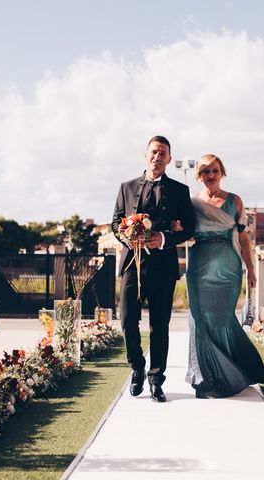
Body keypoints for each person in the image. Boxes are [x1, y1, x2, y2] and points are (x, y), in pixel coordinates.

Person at [112, 135, 194, 402]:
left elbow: (189, 228)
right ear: (145, 155)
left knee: (160, 326)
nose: (157, 157)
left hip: (163, 268)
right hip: (131, 266)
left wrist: (165, 239)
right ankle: (137, 367)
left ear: (169, 159)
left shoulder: (181, 191)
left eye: (163, 153)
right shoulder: (126, 187)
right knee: (127, 321)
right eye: (154, 152)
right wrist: (125, 236)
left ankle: (156, 380)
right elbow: (115, 223)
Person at [185, 154, 264, 398]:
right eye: (205, 171)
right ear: (199, 175)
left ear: (222, 173)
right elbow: (183, 233)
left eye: (215, 171)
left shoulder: (235, 201)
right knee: (199, 320)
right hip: (199, 265)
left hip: (228, 267)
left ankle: (234, 372)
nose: (210, 175)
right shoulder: (190, 203)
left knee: (222, 321)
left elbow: (243, 238)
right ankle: (206, 376)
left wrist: (250, 269)